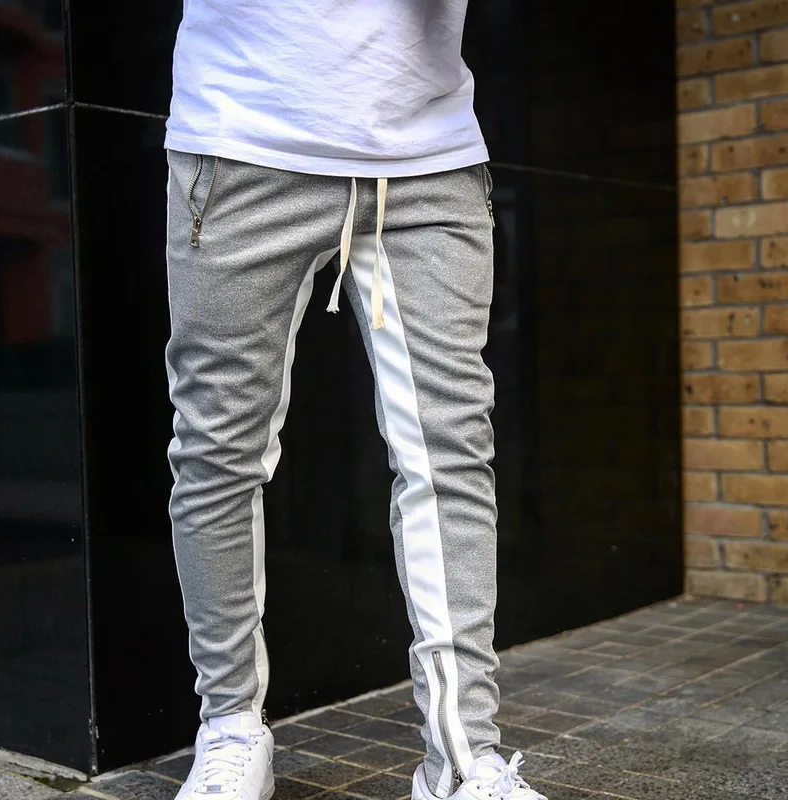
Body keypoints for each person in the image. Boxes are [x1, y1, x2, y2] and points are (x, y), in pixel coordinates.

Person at [164, 3, 547, 799]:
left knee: (450, 457)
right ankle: (230, 728)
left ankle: (463, 762)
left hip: (429, 152)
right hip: (244, 137)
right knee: (218, 452)